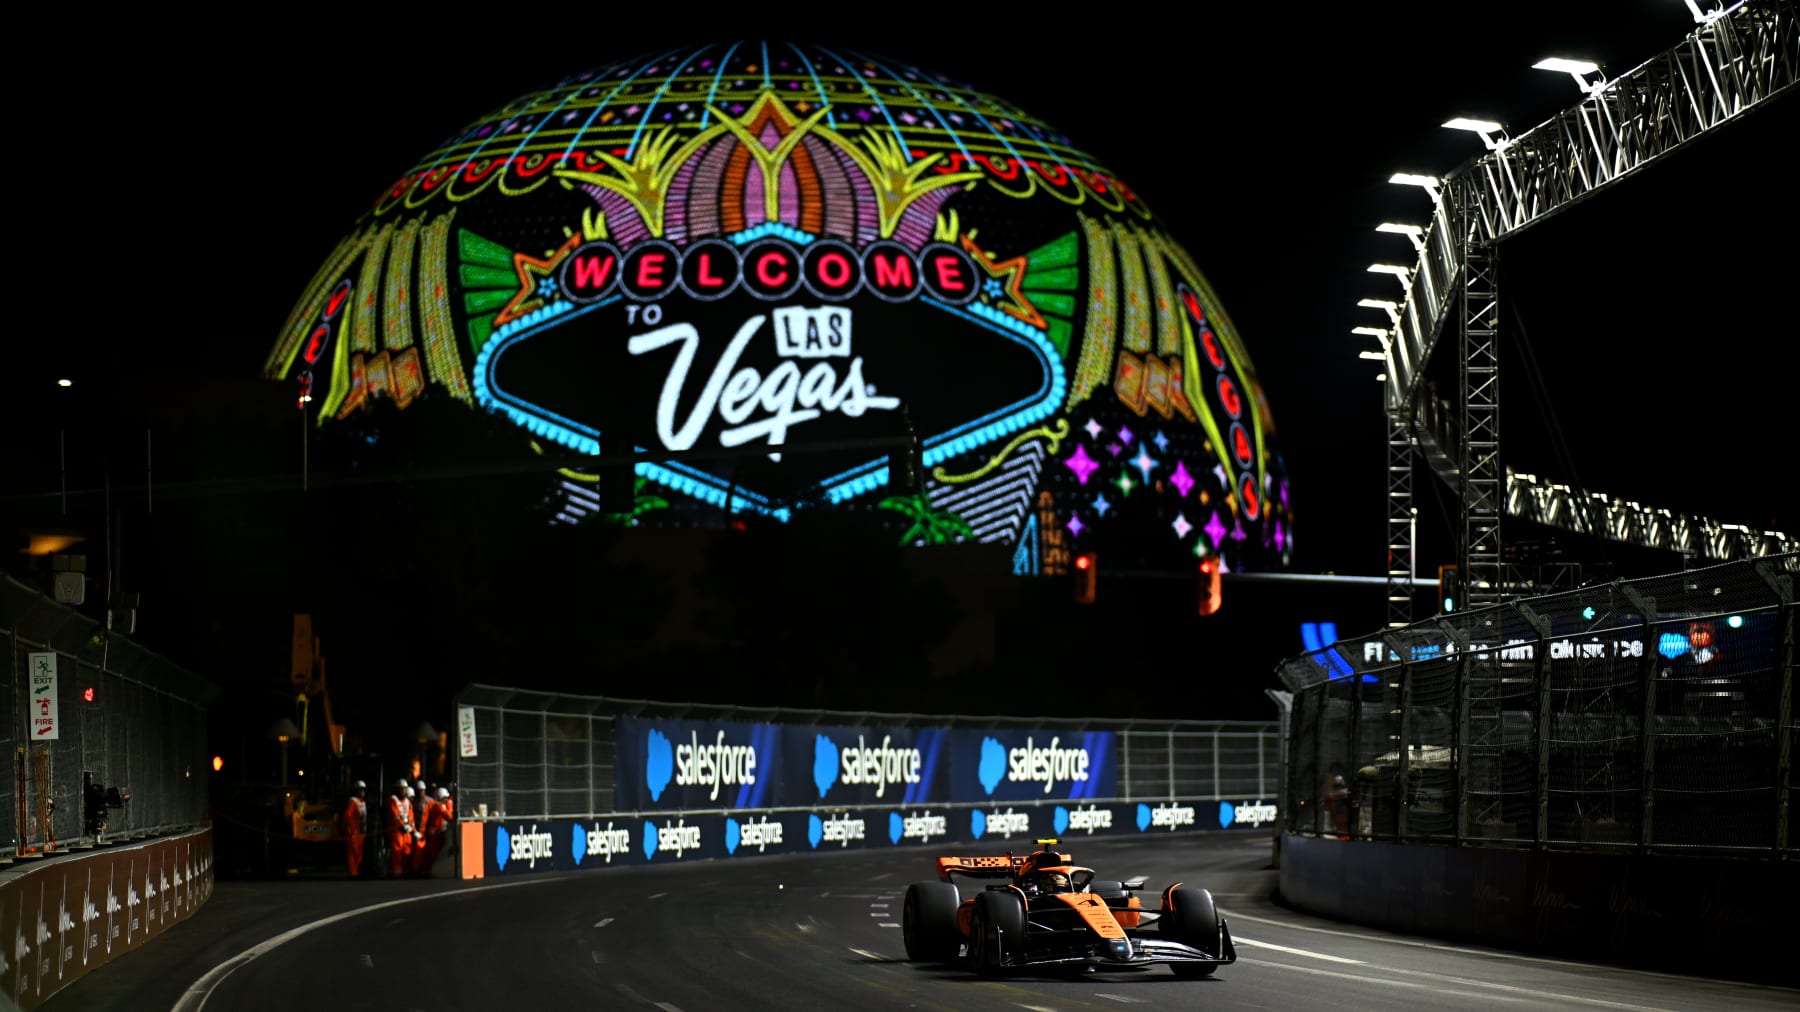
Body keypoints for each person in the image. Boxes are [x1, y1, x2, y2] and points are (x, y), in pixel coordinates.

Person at [385, 779, 416, 878]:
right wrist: (402, 825)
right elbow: (394, 814)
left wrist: (413, 829)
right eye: (401, 789)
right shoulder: (393, 800)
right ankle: (396, 872)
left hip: (406, 830)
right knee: (396, 851)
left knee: (407, 849)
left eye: (404, 789)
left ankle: (405, 870)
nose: (403, 791)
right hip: (396, 830)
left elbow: (411, 816)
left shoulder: (407, 801)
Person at [420, 786, 453, 875]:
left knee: (435, 853)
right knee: (434, 854)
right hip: (436, 834)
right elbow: (448, 817)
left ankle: (430, 870)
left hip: (437, 833)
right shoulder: (439, 806)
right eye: (445, 798)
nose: (446, 800)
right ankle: (431, 871)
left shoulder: (437, 805)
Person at [342, 780, 369, 878]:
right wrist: (348, 827)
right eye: (360, 790)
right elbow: (348, 815)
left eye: (363, 790)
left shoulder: (363, 802)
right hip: (353, 831)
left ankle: (356, 870)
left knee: (358, 852)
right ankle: (353, 872)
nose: (362, 792)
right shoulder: (353, 801)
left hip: (361, 831)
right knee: (352, 852)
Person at [411, 782, 438, 877]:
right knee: (417, 852)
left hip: (426, 830)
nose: (420, 793)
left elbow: (434, 816)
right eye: (418, 791)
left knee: (426, 851)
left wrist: (432, 827)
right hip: (416, 830)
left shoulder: (430, 801)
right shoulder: (414, 801)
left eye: (421, 790)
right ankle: (416, 870)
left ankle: (423, 870)